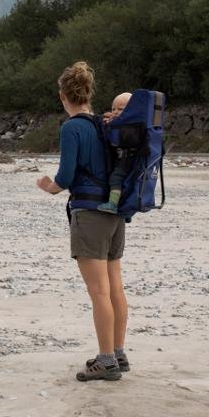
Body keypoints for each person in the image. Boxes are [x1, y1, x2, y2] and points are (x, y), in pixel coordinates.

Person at [36, 61, 130, 382]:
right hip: (115, 213)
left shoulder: (72, 128)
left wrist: (48, 186)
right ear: (89, 93)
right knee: (115, 286)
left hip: (90, 215)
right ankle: (117, 352)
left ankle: (105, 362)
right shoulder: (105, 125)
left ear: (63, 95)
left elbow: (65, 176)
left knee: (99, 292)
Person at [97, 92, 133, 214]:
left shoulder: (125, 126)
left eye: (121, 109)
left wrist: (108, 126)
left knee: (115, 179)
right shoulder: (132, 123)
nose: (116, 112)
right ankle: (125, 208)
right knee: (126, 184)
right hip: (128, 160)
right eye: (113, 109)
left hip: (126, 160)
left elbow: (114, 142)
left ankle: (112, 204)